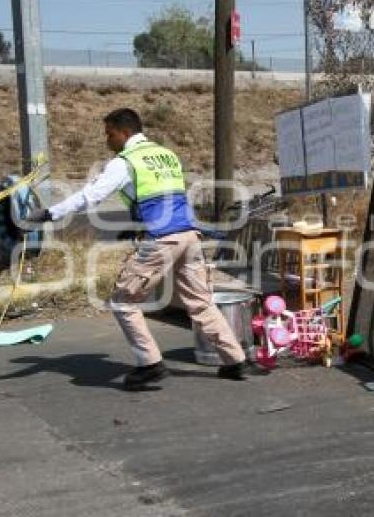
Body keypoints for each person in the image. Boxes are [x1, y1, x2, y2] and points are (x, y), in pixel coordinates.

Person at [27, 108, 250, 389]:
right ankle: (234, 360)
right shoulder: (166, 154)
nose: (107, 140)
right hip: (189, 237)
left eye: (109, 134)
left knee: (123, 301)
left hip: (161, 240)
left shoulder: (125, 162)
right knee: (201, 303)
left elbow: (90, 196)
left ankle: (150, 364)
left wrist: (49, 214)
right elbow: (161, 199)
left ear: (124, 132)